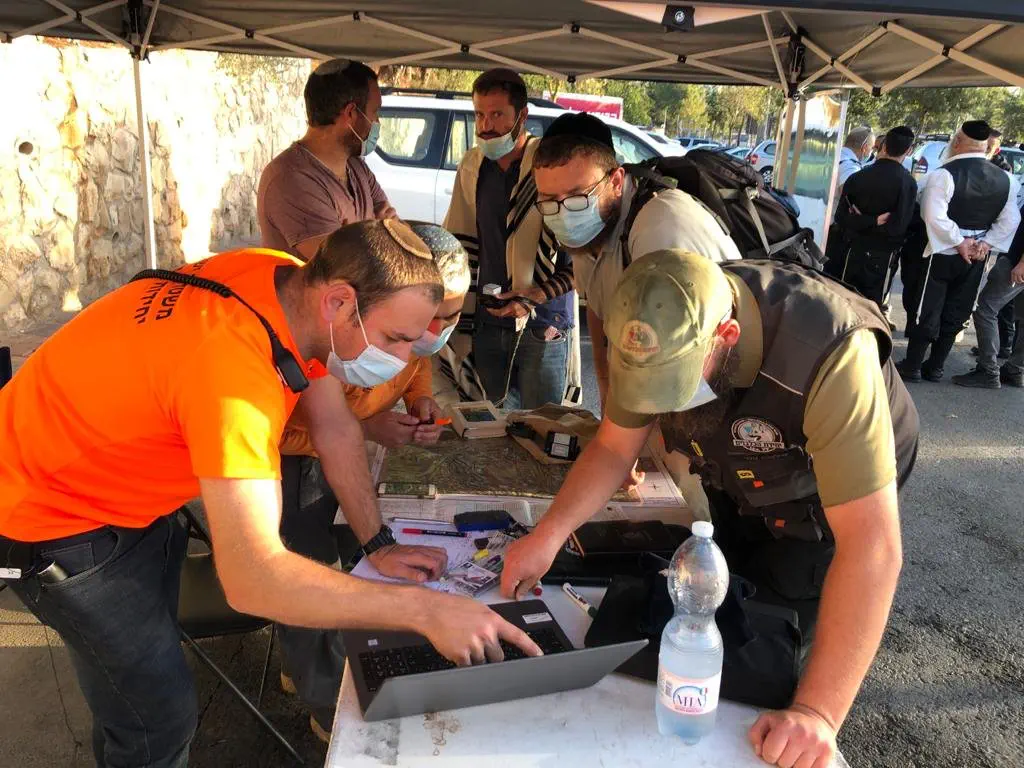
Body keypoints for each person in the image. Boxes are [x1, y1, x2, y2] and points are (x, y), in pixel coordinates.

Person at [0, 219, 540, 768]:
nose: (401, 361)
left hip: (124, 494)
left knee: (129, 691)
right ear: (339, 302)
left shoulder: (284, 282)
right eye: (394, 339)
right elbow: (253, 578)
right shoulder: (234, 381)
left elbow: (333, 427)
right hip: (51, 521)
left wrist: (377, 543)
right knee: (156, 719)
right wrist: (428, 611)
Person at [501, 249, 919, 768]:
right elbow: (612, 448)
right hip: (737, 471)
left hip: (821, 494)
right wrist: (546, 537)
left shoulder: (830, 353)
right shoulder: (648, 332)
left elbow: (870, 546)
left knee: (779, 638)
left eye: (674, 388)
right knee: (721, 610)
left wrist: (816, 713)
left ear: (727, 337)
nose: (665, 408)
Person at [273, 223, 472, 738]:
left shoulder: (405, 325)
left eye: (448, 319)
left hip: (341, 457)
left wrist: (418, 400)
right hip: (292, 463)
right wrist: (366, 426)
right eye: (402, 336)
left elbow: (417, 367)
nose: (429, 335)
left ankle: (311, 666)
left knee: (339, 564)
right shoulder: (321, 336)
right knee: (306, 575)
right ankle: (323, 703)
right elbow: (306, 426)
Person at [532, 112, 740, 490]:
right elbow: (600, 320)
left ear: (616, 181)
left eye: (576, 198)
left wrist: (625, 446)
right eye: (549, 202)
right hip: (662, 388)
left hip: (706, 389)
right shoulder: (589, 228)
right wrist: (610, 417)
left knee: (691, 499)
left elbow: (681, 357)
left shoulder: (662, 231)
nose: (563, 214)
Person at [443, 68, 580, 409]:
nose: (485, 126)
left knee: (541, 423)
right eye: (479, 114)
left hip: (544, 324)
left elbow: (585, 261)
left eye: (497, 115)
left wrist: (535, 296)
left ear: (522, 116)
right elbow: (460, 244)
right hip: (488, 320)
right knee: (485, 418)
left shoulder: (552, 168)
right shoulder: (472, 167)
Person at [897, 121, 1021, 383]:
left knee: (927, 307)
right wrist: (985, 244)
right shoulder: (1007, 180)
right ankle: (936, 366)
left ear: (957, 142)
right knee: (958, 308)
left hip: (942, 251)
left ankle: (913, 365)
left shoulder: (943, 175)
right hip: (976, 255)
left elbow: (932, 215)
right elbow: (1010, 220)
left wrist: (958, 242)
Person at [257, 58, 396, 262]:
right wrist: (382, 235)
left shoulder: (357, 167)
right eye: (375, 112)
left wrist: (376, 238)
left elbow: (397, 229)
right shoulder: (291, 180)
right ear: (351, 113)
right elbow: (347, 267)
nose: (377, 122)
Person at [825, 126, 918, 308]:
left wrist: (865, 221)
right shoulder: (908, 184)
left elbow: (841, 217)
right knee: (871, 309)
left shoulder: (858, 177)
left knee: (842, 305)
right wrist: (878, 222)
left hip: (850, 251)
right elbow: (898, 227)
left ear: (883, 146)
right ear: (908, 151)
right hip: (881, 259)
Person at [952, 211, 1024, 388]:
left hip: (1016, 262)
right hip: (1016, 259)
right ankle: (1015, 369)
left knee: (985, 309)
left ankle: (988, 370)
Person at [836, 126, 875, 192]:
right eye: (872, 148)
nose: (872, 151)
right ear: (865, 147)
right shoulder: (851, 168)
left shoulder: (836, 154)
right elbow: (849, 194)